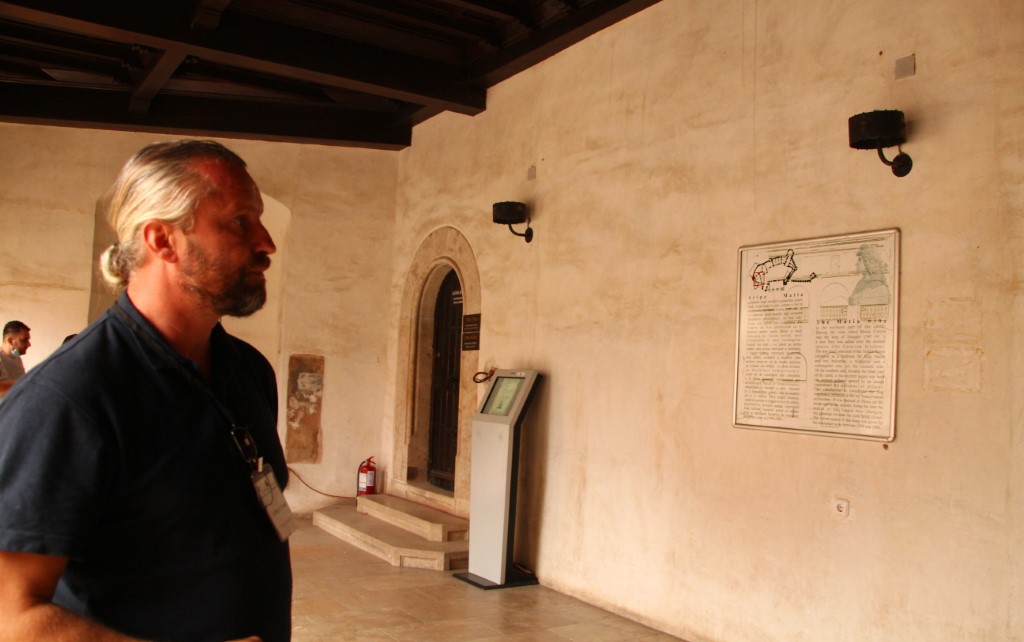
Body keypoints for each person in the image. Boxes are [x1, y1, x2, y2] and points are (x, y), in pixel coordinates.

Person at [0, 140, 293, 642]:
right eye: (240, 221)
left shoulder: (249, 370)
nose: (267, 243)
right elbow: (11, 615)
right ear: (162, 240)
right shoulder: (68, 399)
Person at [0, 320, 31, 399]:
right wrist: (29, 383)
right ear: (10, 341)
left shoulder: (17, 358)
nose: (29, 344)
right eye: (24, 340)